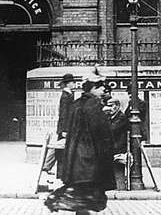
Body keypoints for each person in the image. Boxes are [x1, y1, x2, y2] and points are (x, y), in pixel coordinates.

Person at [45, 69, 115, 214]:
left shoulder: (77, 103)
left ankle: (56, 199)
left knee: (82, 200)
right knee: (86, 199)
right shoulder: (93, 105)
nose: (103, 89)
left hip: (75, 159)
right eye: (101, 86)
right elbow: (101, 134)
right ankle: (56, 199)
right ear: (92, 88)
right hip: (89, 161)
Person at [107, 97, 129, 190]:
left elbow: (112, 130)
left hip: (118, 148)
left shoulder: (121, 117)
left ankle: (120, 186)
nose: (109, 108)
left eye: (111, 106)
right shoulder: (109, 117)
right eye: (108, 106)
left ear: (117, 106)